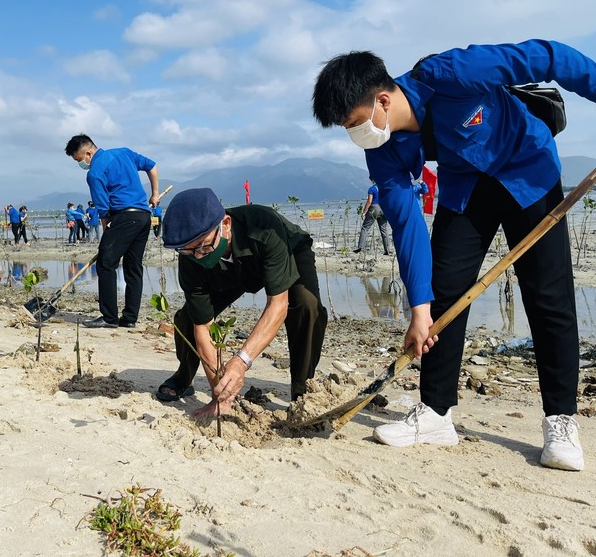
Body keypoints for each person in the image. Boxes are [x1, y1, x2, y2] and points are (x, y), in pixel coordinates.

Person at [311, 39, 596, 472]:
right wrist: (419, 310)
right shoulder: (381, 149)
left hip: (528, 172)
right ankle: (435, 414)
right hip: (465, 189)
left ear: (382, 98)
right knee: (444, 293)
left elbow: (550, 57)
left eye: (356, 123)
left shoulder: (454, 71)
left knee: (548, 297)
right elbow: (406, 224)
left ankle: (560, 420)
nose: (355, 134)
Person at [158, 188, 328, 413]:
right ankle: (184, 376)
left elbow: (278, 304)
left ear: (225, 224)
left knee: (307, 305)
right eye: (189, 251)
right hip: (229, 271)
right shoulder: (192, 257)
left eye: (204, 245)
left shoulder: (264, 227)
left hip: (287, 252)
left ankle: (301, 390)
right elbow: (203, 327)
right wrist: (220, 395)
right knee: (188, 318)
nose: (198, 255)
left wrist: (241, 361)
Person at [65, 134, 160, 328]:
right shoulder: (124, 153)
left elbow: (103, 210)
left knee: (106, 263)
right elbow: (152, 166)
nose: (81, 164)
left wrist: (107, 232)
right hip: (143, 216)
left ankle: (109, 317)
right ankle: (130, 319)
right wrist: (155, 194)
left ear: (88, 153)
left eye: (79, 160)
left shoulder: (94, 173)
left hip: (123, 217)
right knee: (133, 268)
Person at [354, 178, 391, 255]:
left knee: (365, 228)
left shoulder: (372, 189)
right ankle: (387, 250)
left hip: (375, 208)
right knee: (384, 229)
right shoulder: (385, 188)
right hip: (384, 208)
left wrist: (364, 212)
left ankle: (361, 247)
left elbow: (369, 201)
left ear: (372, 180)